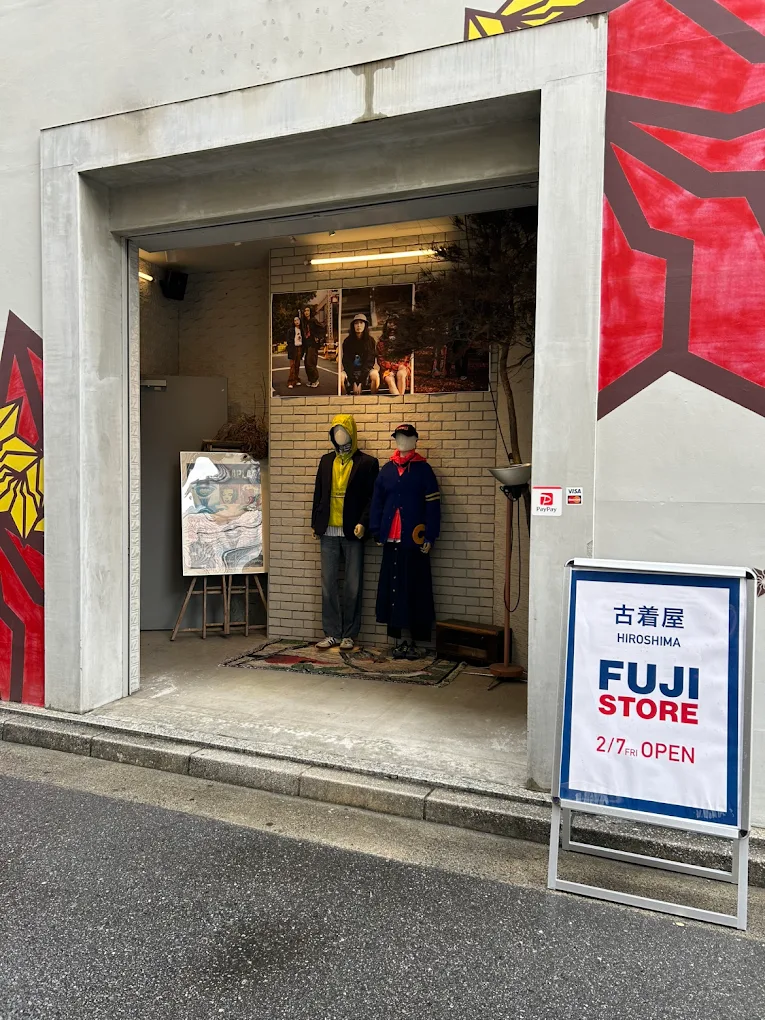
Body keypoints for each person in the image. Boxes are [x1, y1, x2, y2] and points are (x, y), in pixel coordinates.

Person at [311, 414, 379, 650]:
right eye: (335, 431)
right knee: (328, 584)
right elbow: (319, 493)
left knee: (352, 586)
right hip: (328, 530)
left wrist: (364, 522)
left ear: (353, 433)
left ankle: (349, 634)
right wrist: (315, 523)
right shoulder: (326, 461)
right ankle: (332, 632)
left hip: (353, 532)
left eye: (343, 430)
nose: (339, 435)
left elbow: (372, 498)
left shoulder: (367, 463)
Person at [341, 313, 379, 395]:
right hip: (351, 371)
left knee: (375, 375)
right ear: (353, 326)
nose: (358, 325)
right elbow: (346, 362)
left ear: (365, 325)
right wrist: (354, 382)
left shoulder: (370, 341)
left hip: (366, 370)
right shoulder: (347, 341)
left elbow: (369, 362)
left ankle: (373, 399)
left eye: (361, 323)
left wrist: (361, 382)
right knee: (340, 377)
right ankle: (344, 399)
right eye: (356, 323)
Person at [376, 315, 410, 395]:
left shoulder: (403, 341)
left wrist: (396, 368)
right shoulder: (381, 343)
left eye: (394, 323)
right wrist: (392, 369)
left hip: (402, 367)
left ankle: (400, 400)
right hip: (387, 369)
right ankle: (400, 401)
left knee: (401, 374)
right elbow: (381, 360)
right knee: (389, 379)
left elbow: (405, 358)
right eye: (390, 323)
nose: (392, 326)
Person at [301, 305, 325, 388]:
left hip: (313, 345)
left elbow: (322, 329)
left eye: (308, 310)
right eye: (305, 311)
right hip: (307, 345)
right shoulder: (304, 322)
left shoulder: (313, 320)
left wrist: (317, 337)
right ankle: (311, 380)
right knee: (306, 364)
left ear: (310, 312)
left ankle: (315, 380)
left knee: (310, 363)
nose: (306, 312)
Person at [285, 314, 304, 389]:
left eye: (298, 320)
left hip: (300, 348)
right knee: (292, 365)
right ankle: (290, 381)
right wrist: (290, 348)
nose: (296, 321)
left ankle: (296, 379)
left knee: (297, 365)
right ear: (293, 322)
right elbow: (288, 340)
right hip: (293, 348)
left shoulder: (302, 330)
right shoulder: (291, 330)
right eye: (295, 320)